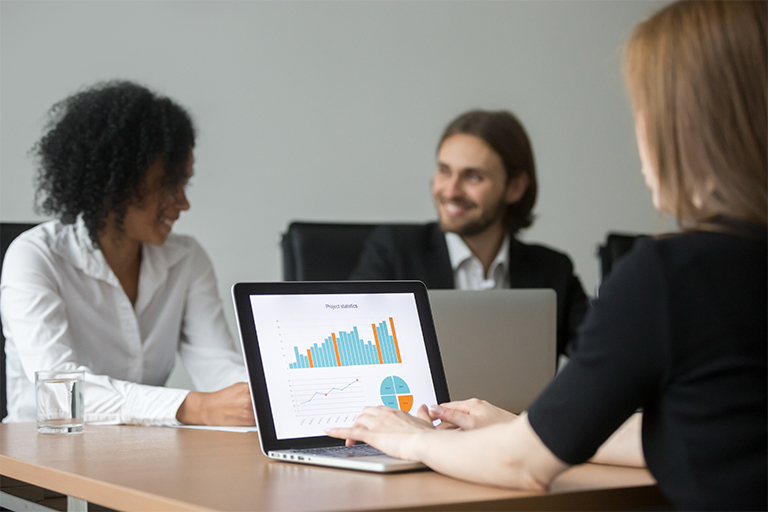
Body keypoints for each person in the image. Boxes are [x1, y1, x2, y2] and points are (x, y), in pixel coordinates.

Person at [329, 1, 767, 510]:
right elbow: (698, 428)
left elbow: (523, 465)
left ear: (684, 126)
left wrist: (409, 440)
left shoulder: (669, 275)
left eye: (641, 113)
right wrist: (534, 427)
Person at [0, 81, 255, 427]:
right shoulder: (35, 257)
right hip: (44, 458)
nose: (183, 203)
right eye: (169, 185)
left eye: (185, 184)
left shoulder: (187, 259)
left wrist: (259, 400)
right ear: (114, 180)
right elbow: (61, 394)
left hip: (142, 452)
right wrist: (196, 407)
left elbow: (217, 365)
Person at [350, 110, 588, 358]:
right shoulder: (393, 251)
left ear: (515, 187)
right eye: (444, 171)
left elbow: (602, 355)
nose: (451, 191)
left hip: (515, 400)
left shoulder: (552, 271)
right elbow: (355, 346)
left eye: (473, 177)